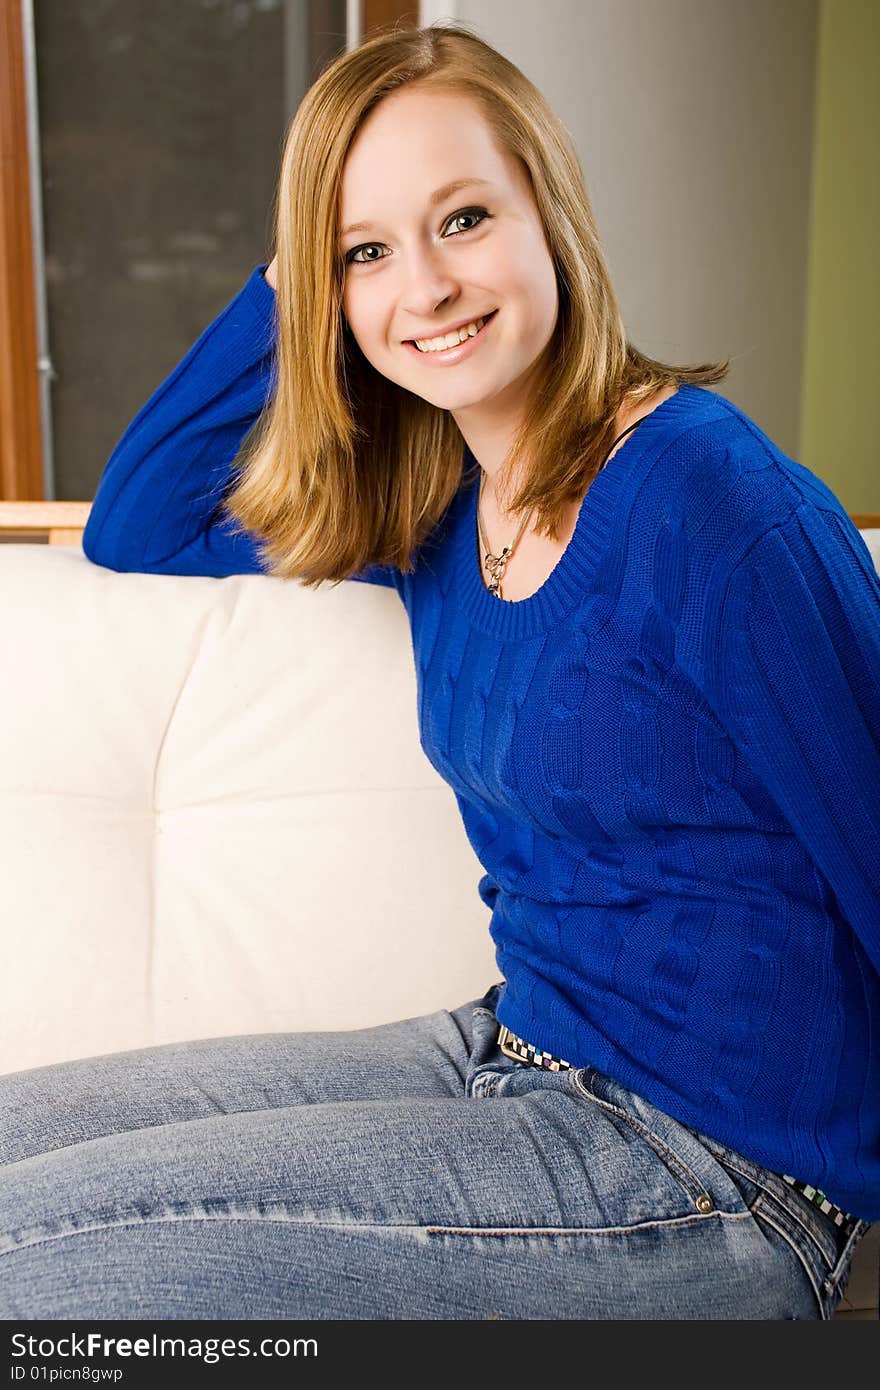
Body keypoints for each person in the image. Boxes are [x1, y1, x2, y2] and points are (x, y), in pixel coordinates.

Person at [1, 21, 877, 1321]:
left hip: (726, 1172)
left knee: (42, 1276)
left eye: (463, 218)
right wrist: (300, 272)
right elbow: (141, 518)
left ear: (549, 212)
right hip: (507, 1046)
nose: (426, 286)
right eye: (366, 251)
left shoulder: (712, 499)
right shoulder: (438, 507)